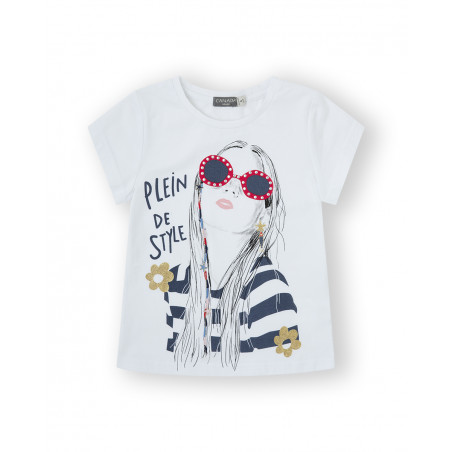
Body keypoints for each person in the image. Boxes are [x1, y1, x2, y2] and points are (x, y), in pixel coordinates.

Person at [164, 140, 298, 370]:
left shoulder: (268, 288)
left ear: (263, 217)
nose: (232, 187)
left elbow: (280, 373)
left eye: (254, 184)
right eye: (218, 172)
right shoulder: (176, 282)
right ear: (200, 193)